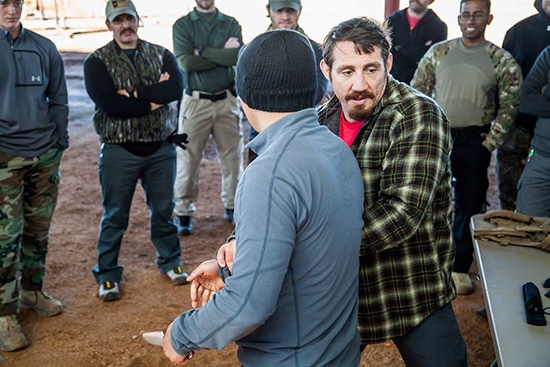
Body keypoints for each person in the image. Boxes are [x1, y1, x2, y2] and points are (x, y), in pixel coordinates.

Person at [199, 16, 468, 367]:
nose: (360, 84)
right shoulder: (319, 116)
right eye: (346, 71)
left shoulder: (418, 116)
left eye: (371, 69)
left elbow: (401, 216)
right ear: (326, 70)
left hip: (409, 290)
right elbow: (281, 193)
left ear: (388, 63)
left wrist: (283, 251)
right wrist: (243, 241)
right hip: (340, 299)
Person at [162, 29, 365, 366]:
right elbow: (310, 254)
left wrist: (182, 333)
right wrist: (233, 271)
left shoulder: (270, 172)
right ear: (318, 87)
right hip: (337, 352)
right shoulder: (335, 148)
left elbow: (250, 304)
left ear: (244, 93)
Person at [411, 0, 522, 295]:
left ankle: (460, 267)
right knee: (429, 198)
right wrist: (424, 134)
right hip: (439, 137)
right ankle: (427, 262)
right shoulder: (439, 53)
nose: (471, 20)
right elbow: (418, 92)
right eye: (466, 14)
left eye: (478, 14)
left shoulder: (501, 60)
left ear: (489, 18)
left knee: (469, 203)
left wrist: (490, 142)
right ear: (458, 19)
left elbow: (510, 105)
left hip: (476, 141)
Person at [83, 0, 187, 302]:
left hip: (160, 149)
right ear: (109, 25)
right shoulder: (97, 61)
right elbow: (111, 106)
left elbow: (174, 90)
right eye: (118, 21)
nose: (125, 25)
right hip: (119, 151)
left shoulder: (161, 54)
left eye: (129, 19)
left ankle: (170, 261)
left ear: (138, 21)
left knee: (164, 211)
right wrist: (153, 96)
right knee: (115, 215)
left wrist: (131, 93)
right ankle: (107, 274)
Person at [0, 0, 68, 351]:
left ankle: (32, 291)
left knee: (38, 229)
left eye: (17, 2)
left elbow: (58, 97)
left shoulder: (43, 47)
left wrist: (59, 141)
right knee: (4, 237)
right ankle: (3, 313)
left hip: (44, 156)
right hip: (4, 159)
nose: (11, 9)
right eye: (3, 3)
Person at [172, 0, 244, 235]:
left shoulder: (231, 23)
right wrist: (220, 53)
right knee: (188, 158)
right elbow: (187, 63)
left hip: (226, 100)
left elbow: (235, 57)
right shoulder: (182, 25)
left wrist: (202, 51)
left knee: (233, 156)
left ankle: (233, 206)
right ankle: (183, 211)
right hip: (195, 103)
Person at [247, 0, 331, 163]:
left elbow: (318, 90)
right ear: (269, 11)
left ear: (299, 11)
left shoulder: (316, 49)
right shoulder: (253, 49)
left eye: (290, 11)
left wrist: (269, 94)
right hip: (262, 133)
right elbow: (248, 91)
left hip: (302, 132)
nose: (285, 17)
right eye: (279, 11)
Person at [497, 0, 550, 211]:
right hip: (519, 127)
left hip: (543, 133)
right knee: (513, 199)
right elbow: (519, 93)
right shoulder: (519, 32)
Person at [516, 45, 550, 216]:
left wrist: (546, 90)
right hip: (541, 158)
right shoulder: (548, 53)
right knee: (528, 228)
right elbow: (527, 101)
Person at [386, 0, 447, 85]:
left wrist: (400, 49)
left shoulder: (438, 27)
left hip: (423, 87)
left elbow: (435, 59)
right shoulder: (391, 22)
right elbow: (386, 54)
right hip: (392, 84)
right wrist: (420, 51)